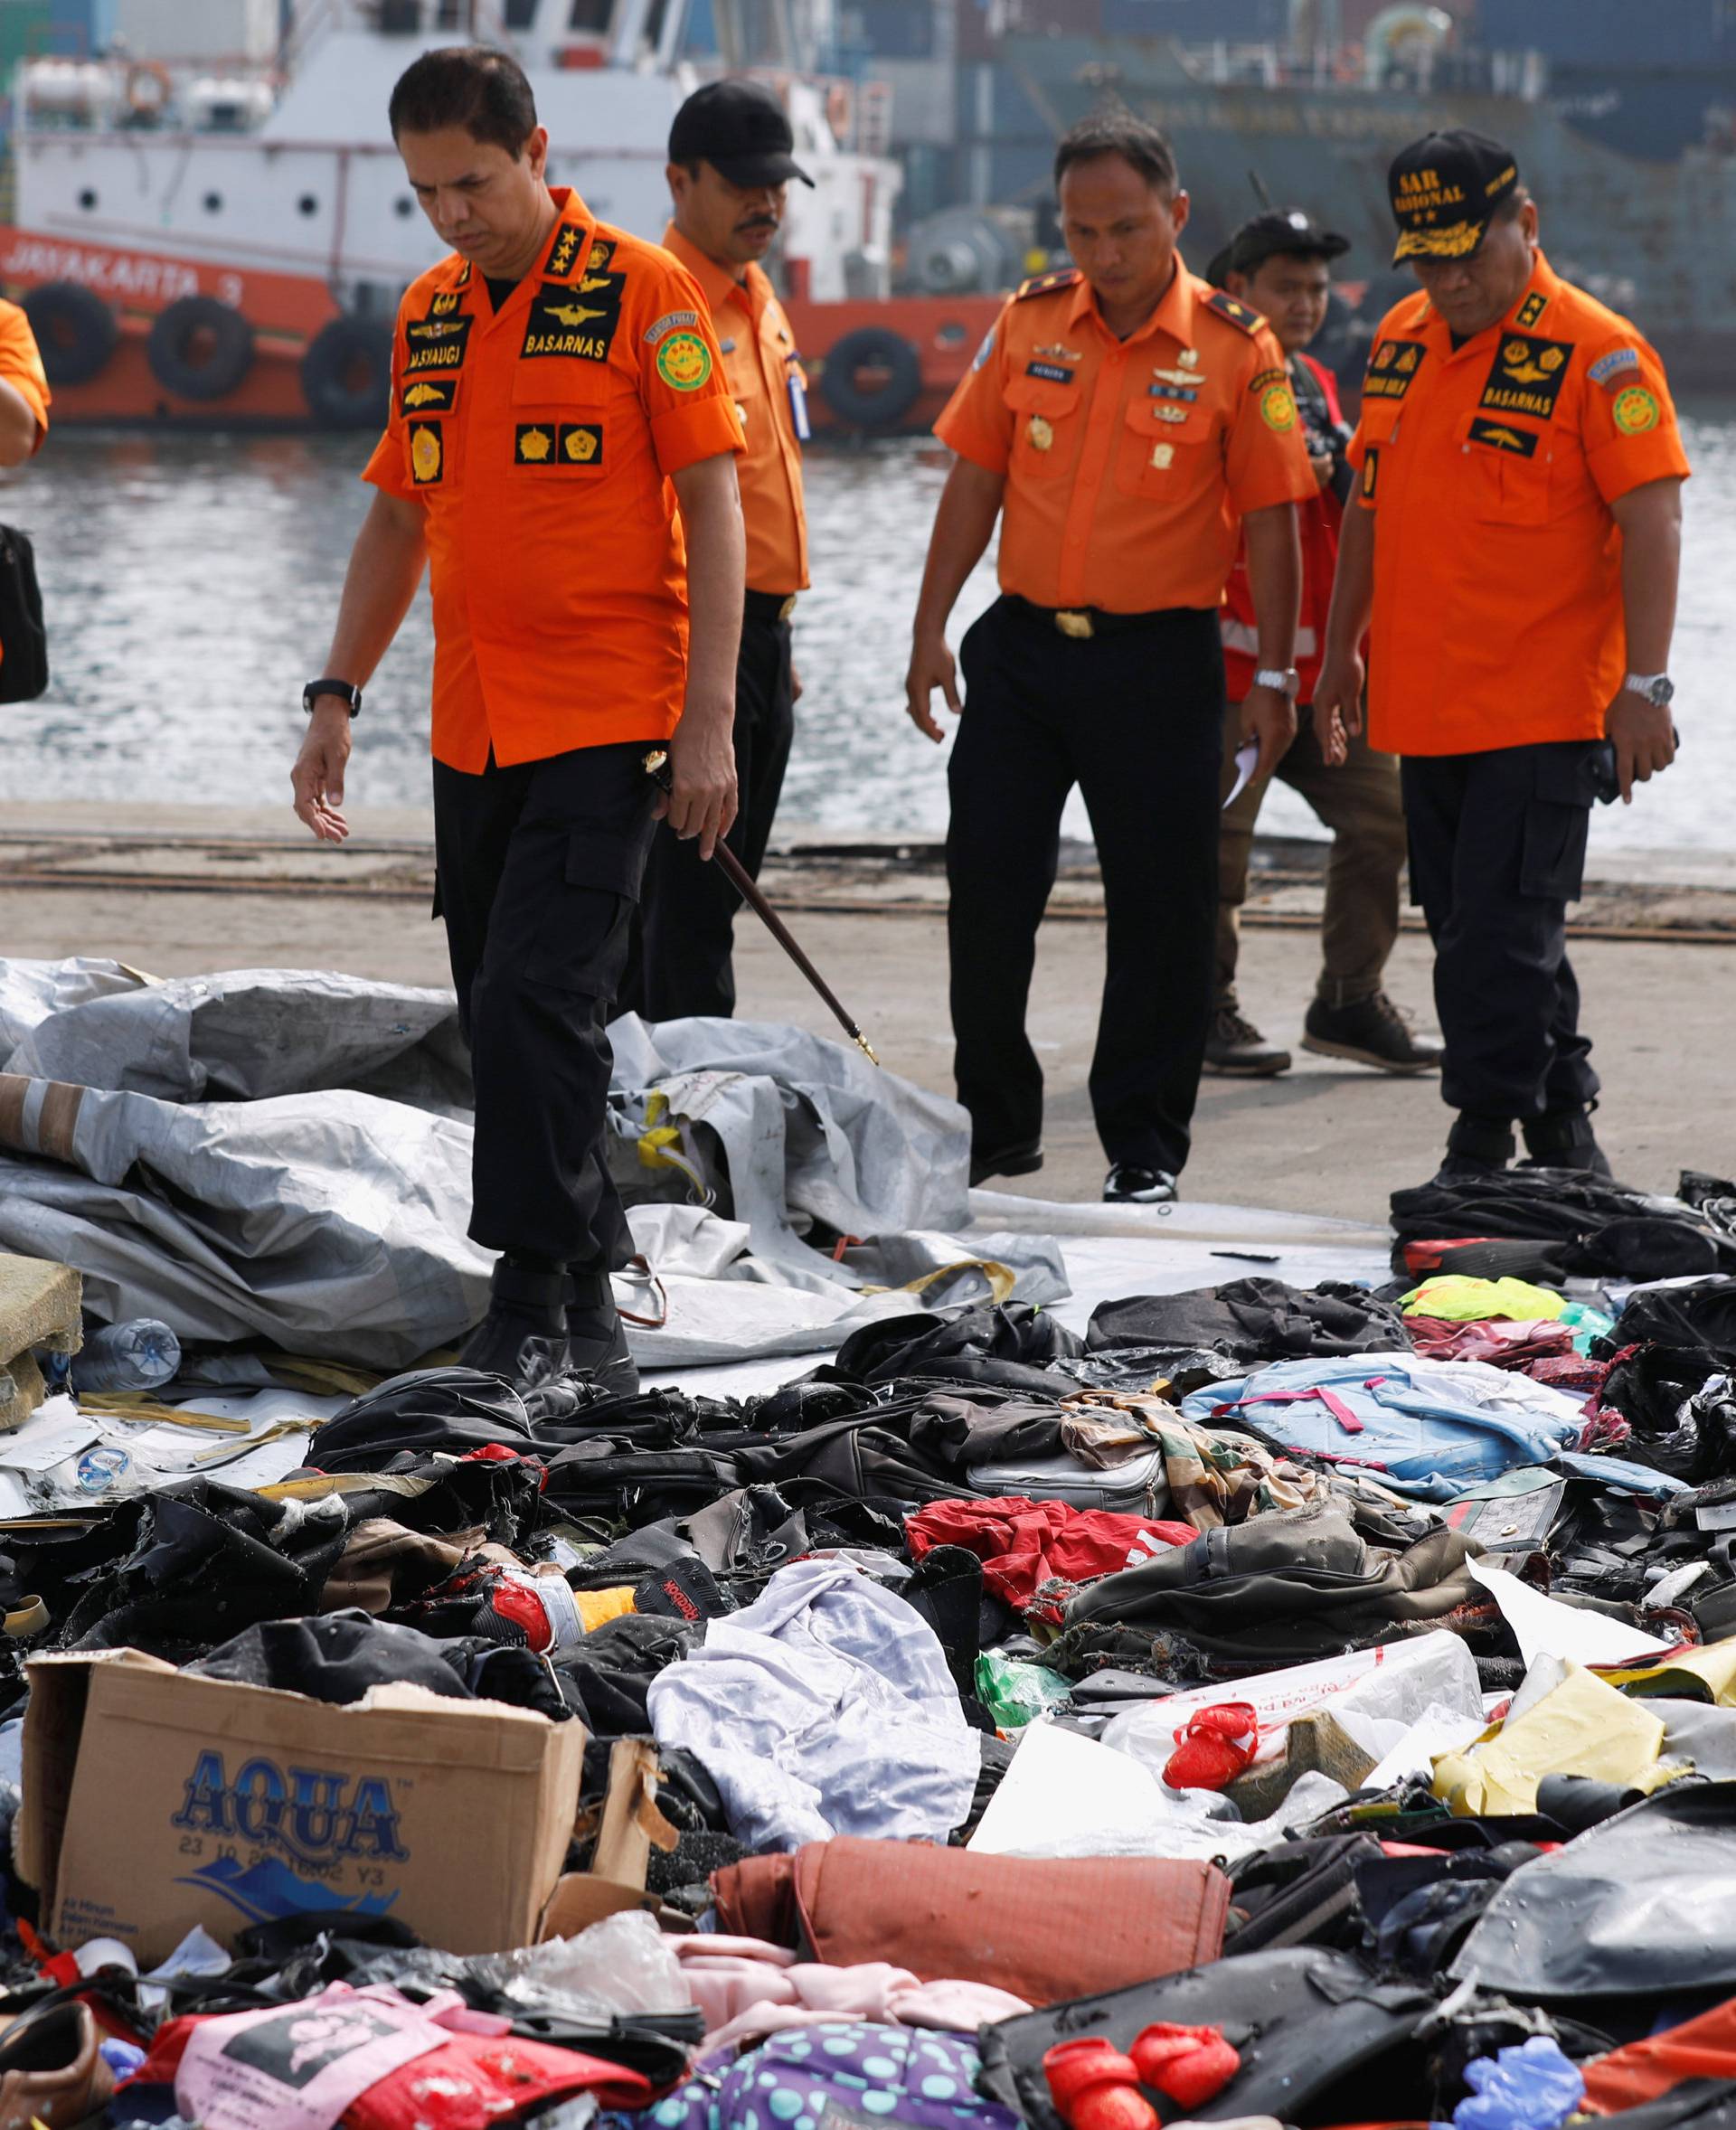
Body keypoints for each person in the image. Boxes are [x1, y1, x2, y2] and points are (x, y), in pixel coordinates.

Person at [289, 46, 745, 1392]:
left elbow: (714, 506)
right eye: (426, 192)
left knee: (545, 994)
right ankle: (587, 1284)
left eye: (474, 183)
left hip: (611, 716)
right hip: (471, 724)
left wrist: (708, 721)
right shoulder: (430, 313)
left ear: (537, 151)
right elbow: (393, 514)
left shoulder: (641, 294)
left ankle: (527, 1292)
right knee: (500, 1012)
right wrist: (334, 693)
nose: (453, 214)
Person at [905, 114, 1314, 1205]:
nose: (1105, 254)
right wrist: (927, 625)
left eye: (1126, 228)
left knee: (1161, 910)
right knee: (988, 886)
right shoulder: (1030, 321)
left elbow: (1273, 520)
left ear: (1176, 216)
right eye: (1082, 232)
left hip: (1162, 664)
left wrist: (1274, 677)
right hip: (1027, 655)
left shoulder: (1235, 347)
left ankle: (1143, 1148)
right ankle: (995, 1128)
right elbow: (974, 480)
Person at [1314, 129, 1688, 1183]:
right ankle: (1566, 1127)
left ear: (1526, 225)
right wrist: (1341, 651)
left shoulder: (1598, 350)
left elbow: (1653, 520)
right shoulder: (1399, 338)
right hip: (1425, 706)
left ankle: (1478, 1141)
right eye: (1428, 259)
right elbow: (1370, 510)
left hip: (1546, 707)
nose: (1451, 279)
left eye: (1467, 252)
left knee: (1502, 941)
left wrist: (1645, 688)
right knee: (1475, 929)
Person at [1205, 211, 1441, 1080]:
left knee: (1389, 820)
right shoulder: (1208, 376)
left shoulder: (1315, 384)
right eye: (1284, 287)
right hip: (1232, 671)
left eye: (1314, 289)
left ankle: (1348, 998)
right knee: (1216, 850)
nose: (1305, 304)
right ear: (1238, 291)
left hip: (1327, 674)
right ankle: (1202, 1010)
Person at [619, 80, 811, 1022]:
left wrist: (779, 640)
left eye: (777, 183)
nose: (765, 203)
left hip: (761, 644)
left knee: (715, 900)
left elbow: (763, 494)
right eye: (741, 183)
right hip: (690, 653)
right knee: (677, 909)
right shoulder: (662, 303)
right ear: (678, 179)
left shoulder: (758, 300)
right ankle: (673, 1123)